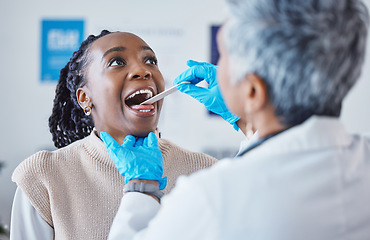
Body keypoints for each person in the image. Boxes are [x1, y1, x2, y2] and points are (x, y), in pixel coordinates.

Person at [104, 0, 370, 239]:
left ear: (253, 90)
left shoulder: (213, 199)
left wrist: (141, 190)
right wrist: (249, 121)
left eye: (224, 56)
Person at [10, 30, 217, 239]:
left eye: (151, 60)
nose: (143, 71)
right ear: (85, 98)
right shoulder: (42, 177)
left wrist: (248, 121)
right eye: (117, 62)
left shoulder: (206, 172)